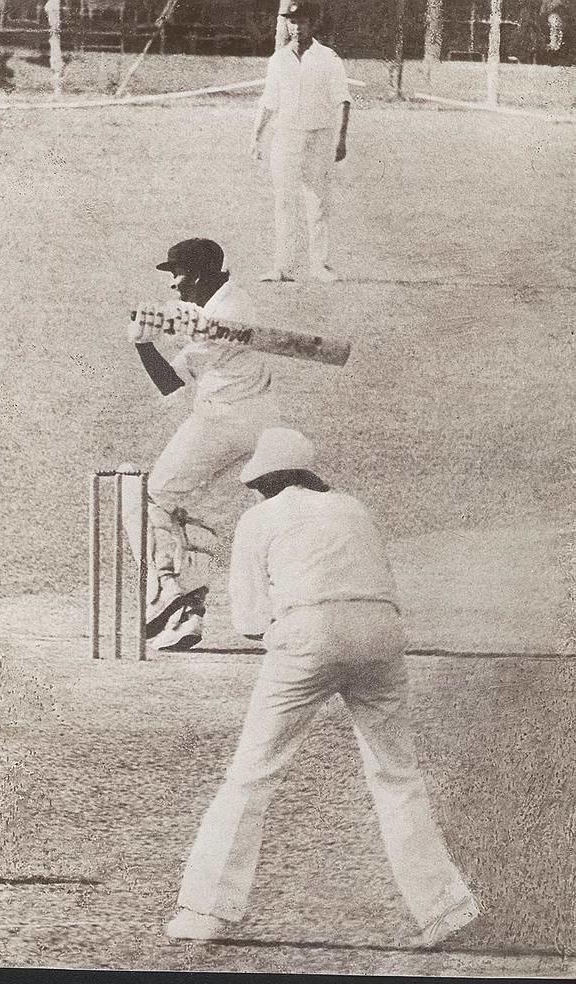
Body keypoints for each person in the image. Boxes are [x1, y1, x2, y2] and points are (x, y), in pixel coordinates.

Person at [166, 428, 481, 946]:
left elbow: (248, 618)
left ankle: (205, 910)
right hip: (383, 630)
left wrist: (290, 635)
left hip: (309, 633)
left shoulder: (260, 517)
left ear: (265, 481)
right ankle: (446, 909)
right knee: (397, 774)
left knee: (252, 774)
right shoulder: (354, 508)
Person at [124, 239, 281, 651]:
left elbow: (171, 385)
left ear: (194, 275)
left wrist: (143, 343)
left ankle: (165, 590)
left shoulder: (228, 314)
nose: (173, 284)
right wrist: (158, 334)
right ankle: (187, 619)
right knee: (193, 518)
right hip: (260, 427)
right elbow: (176, 368)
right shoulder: (230, 302)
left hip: (223, 420)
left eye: (175, 274)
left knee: (148, 499)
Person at [251, 1, 351, 284]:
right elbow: (269, 102)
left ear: (312, 24)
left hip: (319, 136)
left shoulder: (328, 57)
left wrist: (341, 140)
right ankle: (282, 268)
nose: (296, 27)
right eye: (291, 22)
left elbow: (343, 100)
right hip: (287, 136)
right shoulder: (279, 60)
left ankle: (319, 265)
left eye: (302, 22)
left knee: (317, 200)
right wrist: (255, 135)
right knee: (284, 201)